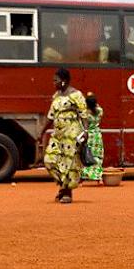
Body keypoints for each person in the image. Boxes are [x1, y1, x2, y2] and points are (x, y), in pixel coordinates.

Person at [42, 68, 89, 204]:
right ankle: (63, 186)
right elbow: (50, 116)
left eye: (56, 80)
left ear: (64, 81)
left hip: (72, 134)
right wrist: (42, 132)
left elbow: (84, 115)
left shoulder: (76, 95)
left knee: (69, 164)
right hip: (58, 135)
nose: (54, 83)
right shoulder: (56, 96)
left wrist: (85, 132)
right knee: (49, 160)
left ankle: (67, 192)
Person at [80, 92, 104, 184]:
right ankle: (98, 178)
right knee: (97, 157)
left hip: (88, 136)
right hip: (97, 136)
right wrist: (91, 97)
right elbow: (96, 106)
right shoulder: (99, 111)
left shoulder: (86, 113)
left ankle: (83, 177)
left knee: (86, 156)